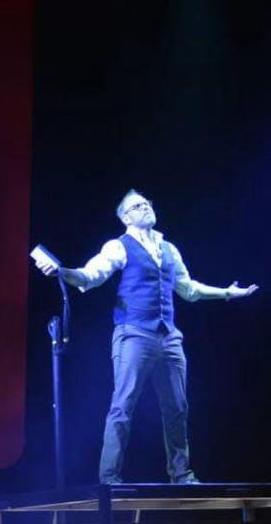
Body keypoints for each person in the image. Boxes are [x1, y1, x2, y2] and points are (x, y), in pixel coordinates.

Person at [35, 190, 257, 484]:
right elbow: (91, 276)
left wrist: (228, 292)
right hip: (134, 333)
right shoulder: (119, 246)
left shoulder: (169, 249)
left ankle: (181, 474)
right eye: (137, 206)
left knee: (177, 407)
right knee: (123, 405)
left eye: (147, 203)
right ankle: (109, 478)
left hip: (169, 336)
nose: (145, 207)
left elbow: (189, 289)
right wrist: (61, 272)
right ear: (126, 217)